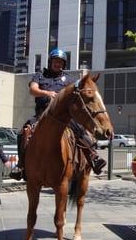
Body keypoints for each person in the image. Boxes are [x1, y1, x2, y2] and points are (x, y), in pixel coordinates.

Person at [9, 48, 106, 180]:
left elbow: (79, 92)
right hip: (41, 114)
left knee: (80, 131)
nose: (57, 64)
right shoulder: (40, 75)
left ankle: (93, 156)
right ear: (50, 62)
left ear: (63, 64)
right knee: (23, 132)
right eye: (55, 61)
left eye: (60, 62)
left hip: (63, 116)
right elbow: (33, 90)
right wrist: (47, 93)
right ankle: (21, 165)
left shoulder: (69, 80)